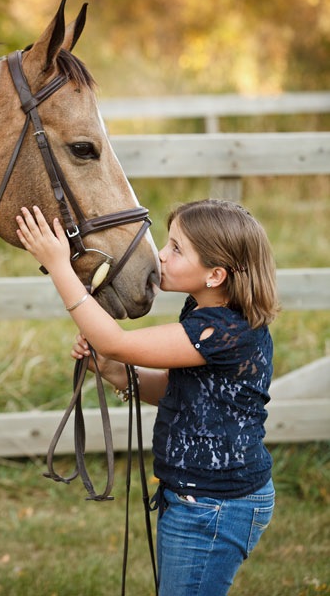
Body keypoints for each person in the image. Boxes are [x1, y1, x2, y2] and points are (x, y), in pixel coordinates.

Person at [16, 199, 278, 596]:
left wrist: (58, 266)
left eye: (176, 249)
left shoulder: (222, 330)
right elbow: (183, 392)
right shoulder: (202, 313)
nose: (161, 255)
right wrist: (112, 370)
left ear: (215, 274)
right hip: (197, 498)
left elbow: (114, 341)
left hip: (213, 506)